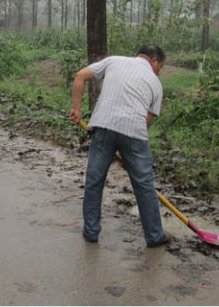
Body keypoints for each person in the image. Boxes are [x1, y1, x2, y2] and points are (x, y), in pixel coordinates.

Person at [69, 45, 169, 247]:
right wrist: (130, 148)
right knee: (144, 186)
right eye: (161, 66)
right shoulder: (156, 84)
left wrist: (77, 110)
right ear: (154, 60)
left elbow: (80, 76)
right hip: (134, 133)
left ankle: (91, 231)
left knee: (94, 181)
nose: (159, 71)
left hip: (103, 126)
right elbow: (146, 121)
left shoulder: (114, 60)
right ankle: (155, 235)